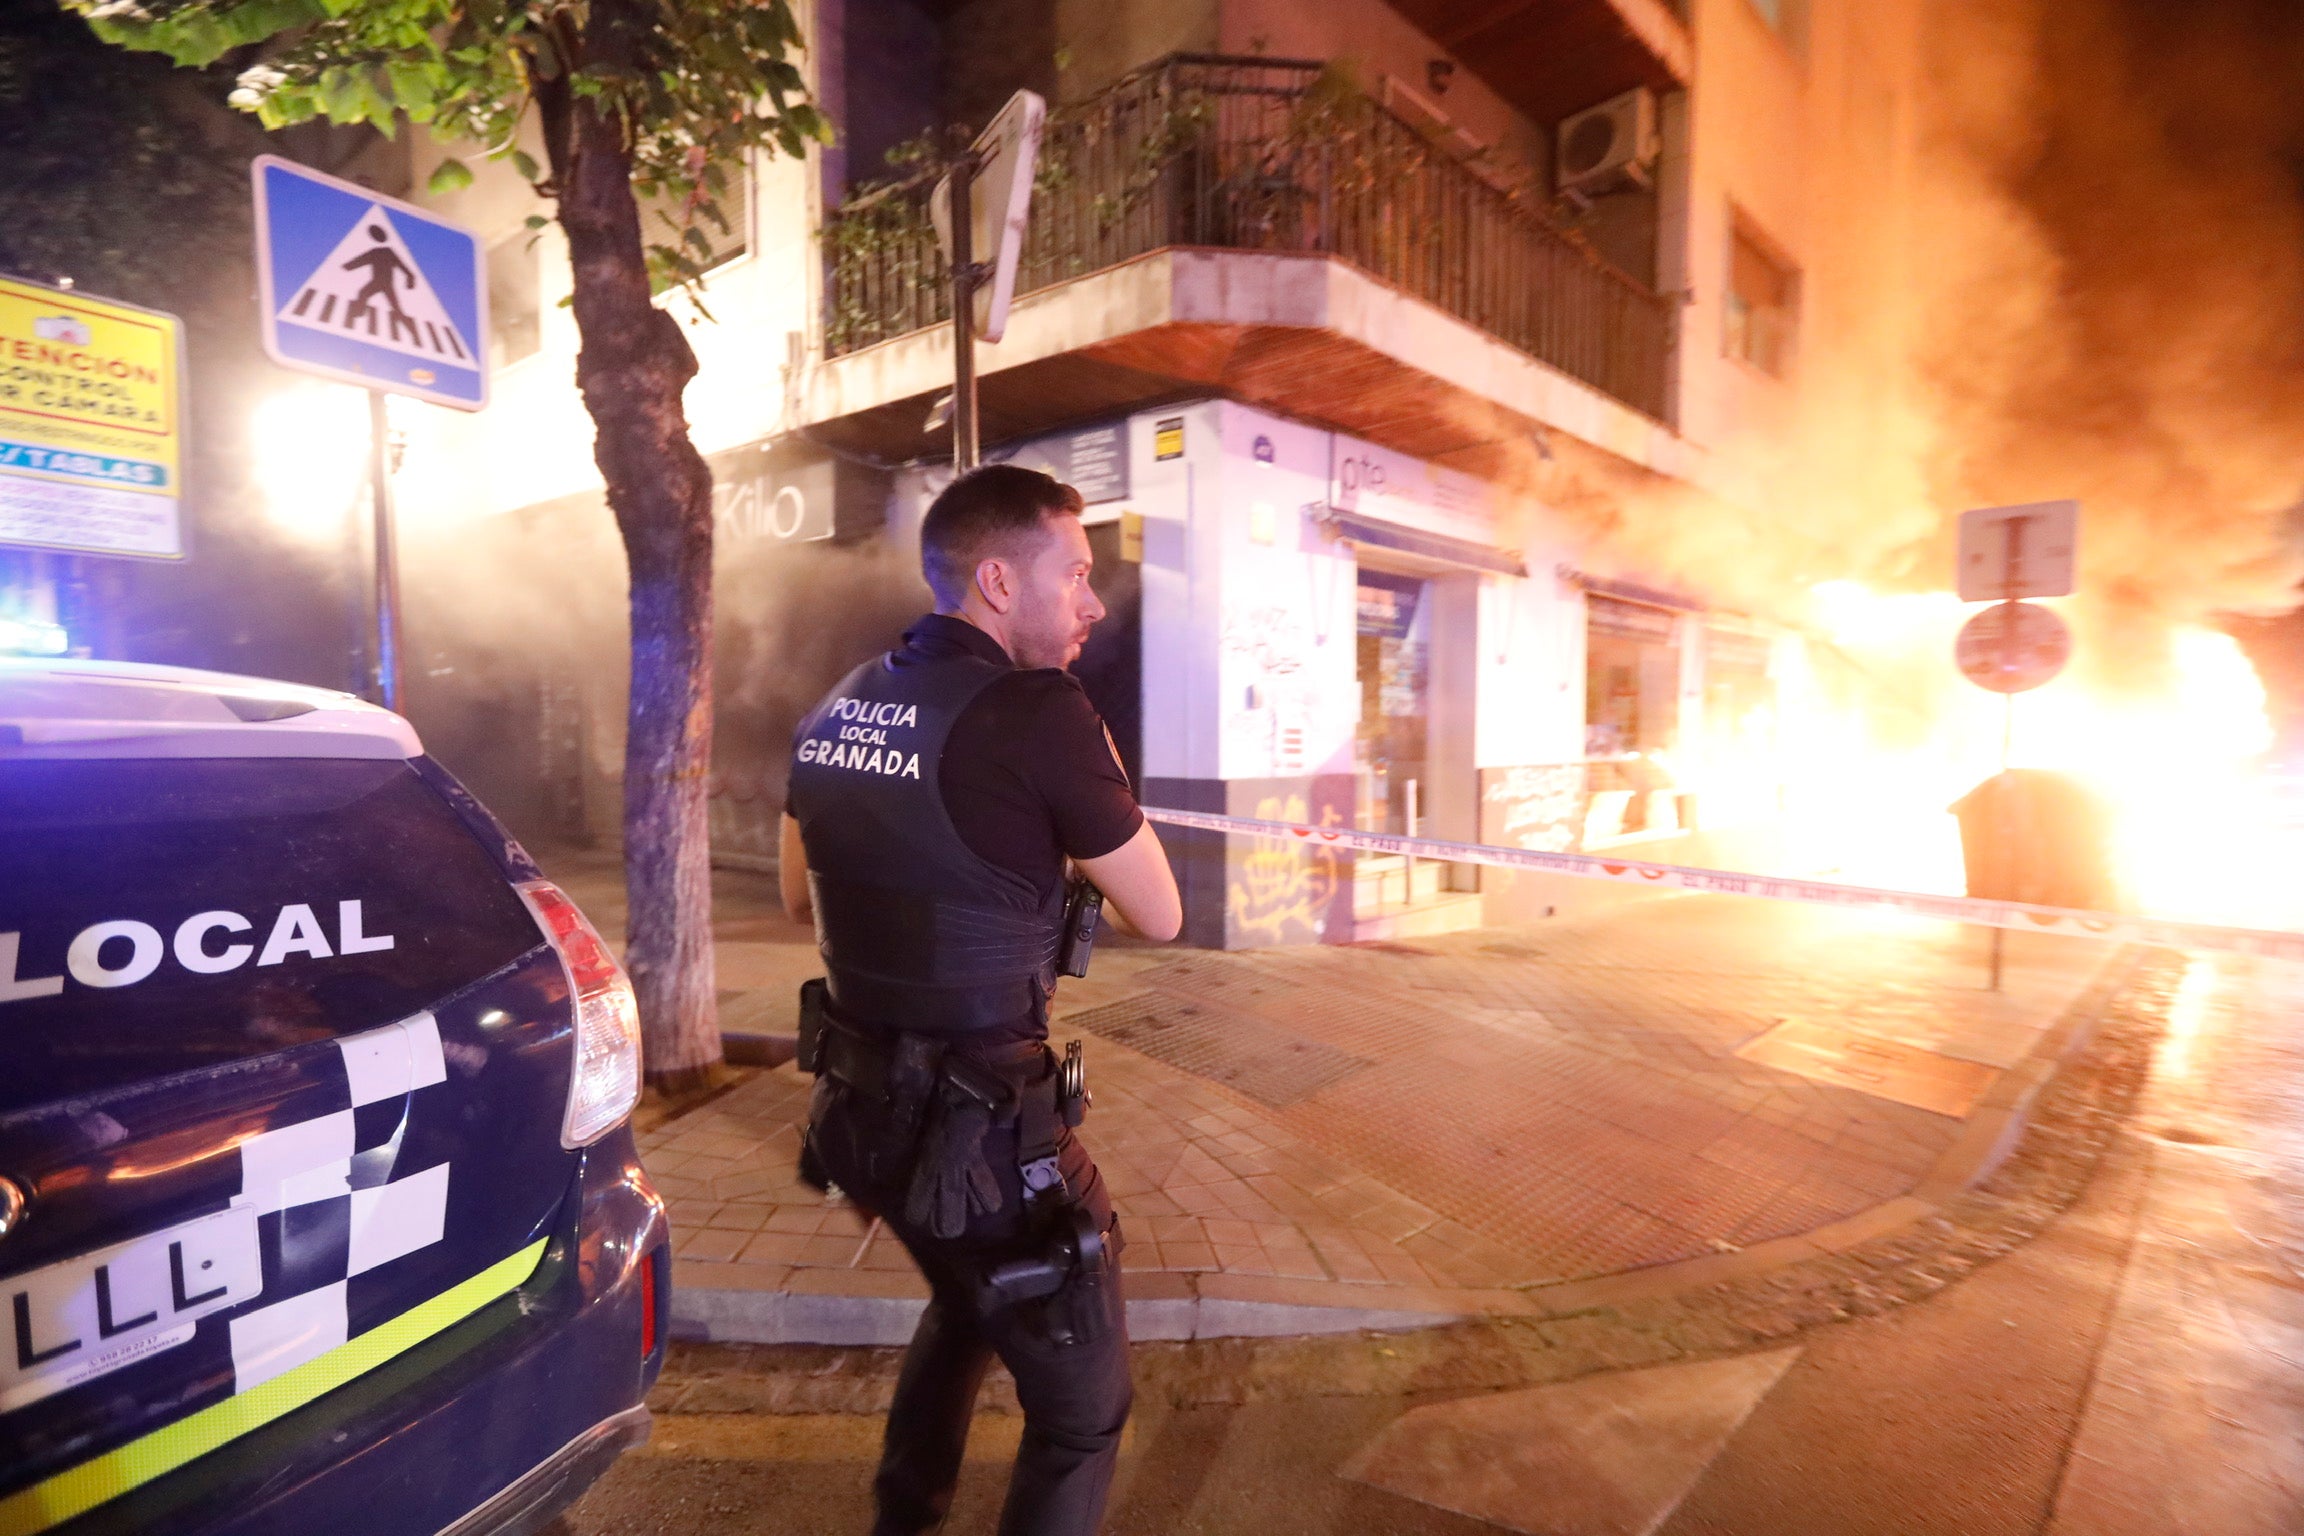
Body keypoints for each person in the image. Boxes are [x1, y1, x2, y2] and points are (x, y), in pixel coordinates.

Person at [780, 464, 1182, 1536]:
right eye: (1079, 574)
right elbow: (1162, 910)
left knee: (963, 1306)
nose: (1095, 603)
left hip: (866, 1123)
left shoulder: (838, 700)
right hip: (990, 1144)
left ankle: (901, 1521)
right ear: (1000, 580)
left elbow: (792, 890)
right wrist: (1080, 777)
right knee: (1084, 1416)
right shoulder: (1041, 711)